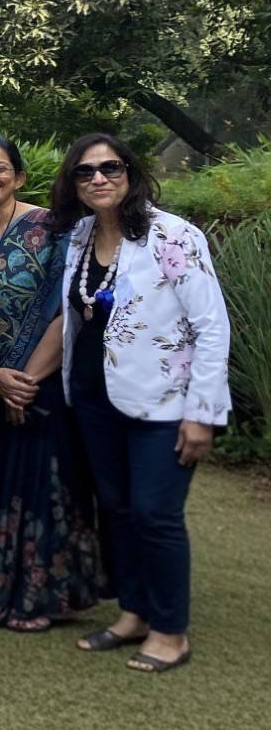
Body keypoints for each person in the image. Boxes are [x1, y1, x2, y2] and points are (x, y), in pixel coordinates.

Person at [53, 134, 229, 674]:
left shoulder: (173, 235)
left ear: (130, 173)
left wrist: (203, 413)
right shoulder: (80, 235)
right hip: (93, 398)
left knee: (156, 514)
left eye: (111, 168)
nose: (99, 179)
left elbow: (211, 326)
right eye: (86, 172)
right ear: (73, 183)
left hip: (165, 403)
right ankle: (133, 613)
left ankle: (171, 630)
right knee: (118, 510)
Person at [0, 136, 110, 632]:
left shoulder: (54, 229)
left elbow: (68, 307)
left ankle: (43, 595)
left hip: (43, 382)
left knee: (45, 483)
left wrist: (26, 381)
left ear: (19, 177)